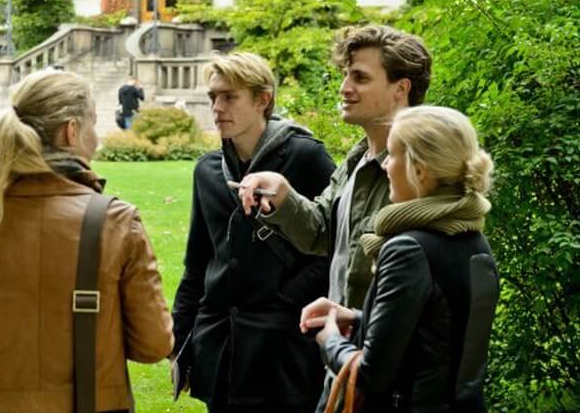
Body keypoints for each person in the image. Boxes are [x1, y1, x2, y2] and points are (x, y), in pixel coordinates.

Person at [0, 70, 173, 412]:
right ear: (72, 131)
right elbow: (153, 344)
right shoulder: (115, 222)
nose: (96, 139)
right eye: (93, 125)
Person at [238, 24, 432, 408]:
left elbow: (430, 291)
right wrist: (284, 195)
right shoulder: (358, 158)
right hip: (345, 364)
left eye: (360, 77)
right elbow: (322, 232)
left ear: (401, 88)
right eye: (345, 74)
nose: (345, 87)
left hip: (389, 381)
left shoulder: (420, 172)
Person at [301, 106, 499, 411]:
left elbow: (371, 375)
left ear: (418, 171)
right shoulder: (473, 239)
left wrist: (330, 339)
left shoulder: (407, 249)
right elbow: (437, 334)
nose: (385, 166)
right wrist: (355, 318)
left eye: (392, 155)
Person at [171, 52, 336, 413]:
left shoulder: (305, 157)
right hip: (221, 347)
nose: (217, 107)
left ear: (263, 99)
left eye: (229, 97)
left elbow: (335, 247)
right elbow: (198, 263)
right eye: (213, 97)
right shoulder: (208, 171)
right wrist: (180, 341)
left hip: (283, 348)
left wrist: (283, 297)